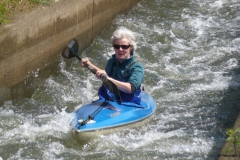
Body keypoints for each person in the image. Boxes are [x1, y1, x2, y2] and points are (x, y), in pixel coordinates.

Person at [81, 27, 144, 104]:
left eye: (124, 46)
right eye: (117, 46)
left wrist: (108, 79)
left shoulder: (137, 67)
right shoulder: (112, 62)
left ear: (131, 48)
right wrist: (89, 65)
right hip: (108, 99)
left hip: (128, 104)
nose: (120, 49)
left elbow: (130, 88)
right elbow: (105, 74)